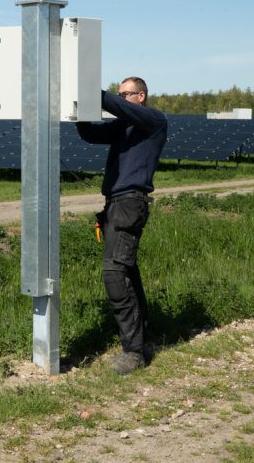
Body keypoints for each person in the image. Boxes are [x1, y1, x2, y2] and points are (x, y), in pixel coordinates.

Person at [76, 76, 168, 374]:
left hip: (130, 203)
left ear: (141, 97)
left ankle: (133, 352)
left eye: (126, 94)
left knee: (115, 273)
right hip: (116, 204)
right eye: (119, 93)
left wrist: (89, 88)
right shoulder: (124, 127)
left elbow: (114, 106)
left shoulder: (153, 120)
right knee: (126, 271)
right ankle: (143, 342)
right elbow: (91, 134)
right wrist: (79, 108)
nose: (121, 98)